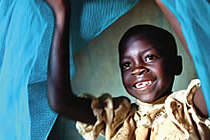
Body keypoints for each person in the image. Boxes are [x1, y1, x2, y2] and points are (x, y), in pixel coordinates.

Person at [46, 0, 210, 139]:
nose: (137, 69)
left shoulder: (188, 110)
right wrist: (61, 14)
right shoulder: (120, 119)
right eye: (126, 65)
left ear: (176, 65)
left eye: (150, 57)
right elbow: (61, 102)